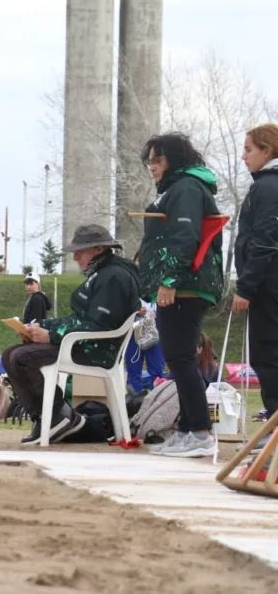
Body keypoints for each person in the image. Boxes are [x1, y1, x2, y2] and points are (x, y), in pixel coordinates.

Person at [1, 224, 141, 445]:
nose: (74, 257)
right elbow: (81, 318)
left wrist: (52, 335)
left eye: (80, 251)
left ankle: (59, 416)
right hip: (83, 344)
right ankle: (49, 417)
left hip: (97, 350)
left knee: (21, 358)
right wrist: (40, 325)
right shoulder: (103, 274)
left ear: (99, 249)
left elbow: (100, 327)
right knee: (10, 354)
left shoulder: (114, 278)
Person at [137, 132, 225, 458]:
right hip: (183, 284)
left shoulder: (186, 188)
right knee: (180, 357)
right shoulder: (178, 189)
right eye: (149, 161)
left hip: (185, 286)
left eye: (157, 160)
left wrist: (169, 280)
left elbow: (185, 236)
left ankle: (200, 432)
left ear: (174, 159)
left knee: (180, 357)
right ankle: (189, 430)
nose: (152, 167)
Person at [232, 122, 278, 440]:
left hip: (267, 287)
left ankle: (273, 437)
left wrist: (245, 286)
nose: (243, 156)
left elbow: (264, 240)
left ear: (267, 151)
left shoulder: (268, 187)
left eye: (249, 150)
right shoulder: (264, 185)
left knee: (268, 355)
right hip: (266, 284)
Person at [124, 298, 166, 395]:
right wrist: (136, 312)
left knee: (157, 372)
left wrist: (157, 314)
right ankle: (135, 402)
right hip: (133, 335)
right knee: (133, 372)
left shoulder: (158, 288)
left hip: (156, 335)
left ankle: (156, 401)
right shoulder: (130, 288)